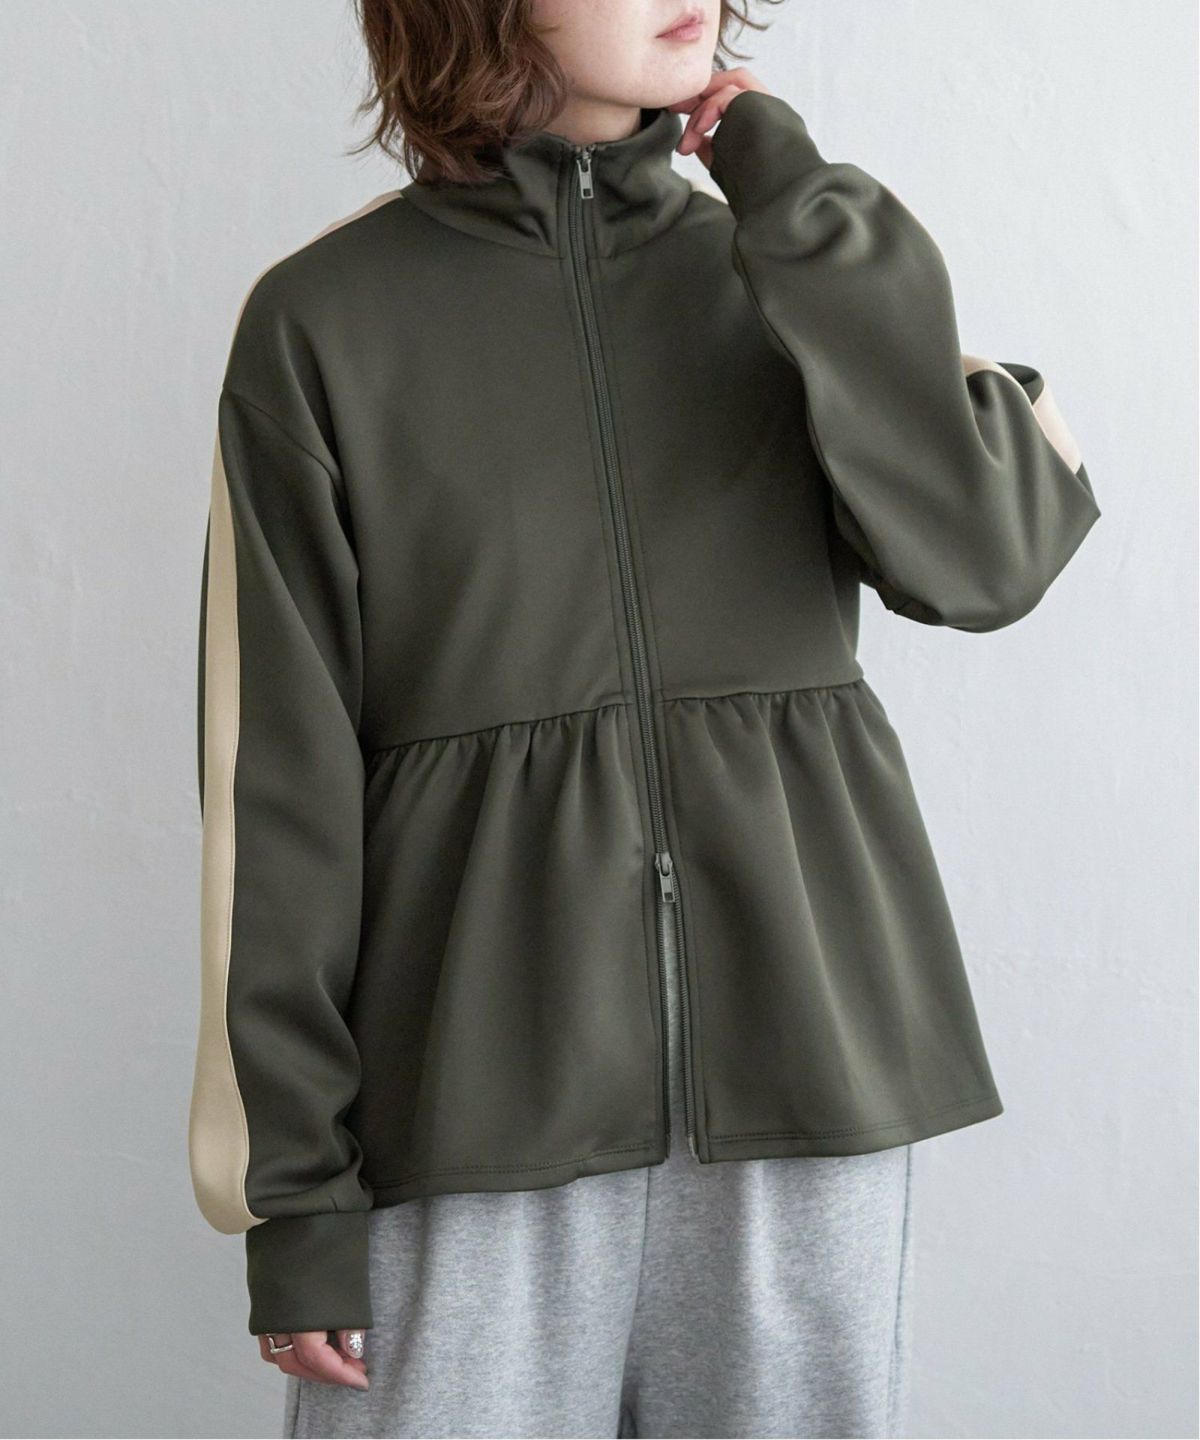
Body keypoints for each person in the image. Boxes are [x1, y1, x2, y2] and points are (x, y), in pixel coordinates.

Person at [187, 1, 1101, 1436]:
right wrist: (295, 1192)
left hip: (806, 1073)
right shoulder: (325, 321)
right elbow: (277, 786)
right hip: (471, 1099)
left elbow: (987, 560)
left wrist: (805, 216)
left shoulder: (788, 265)